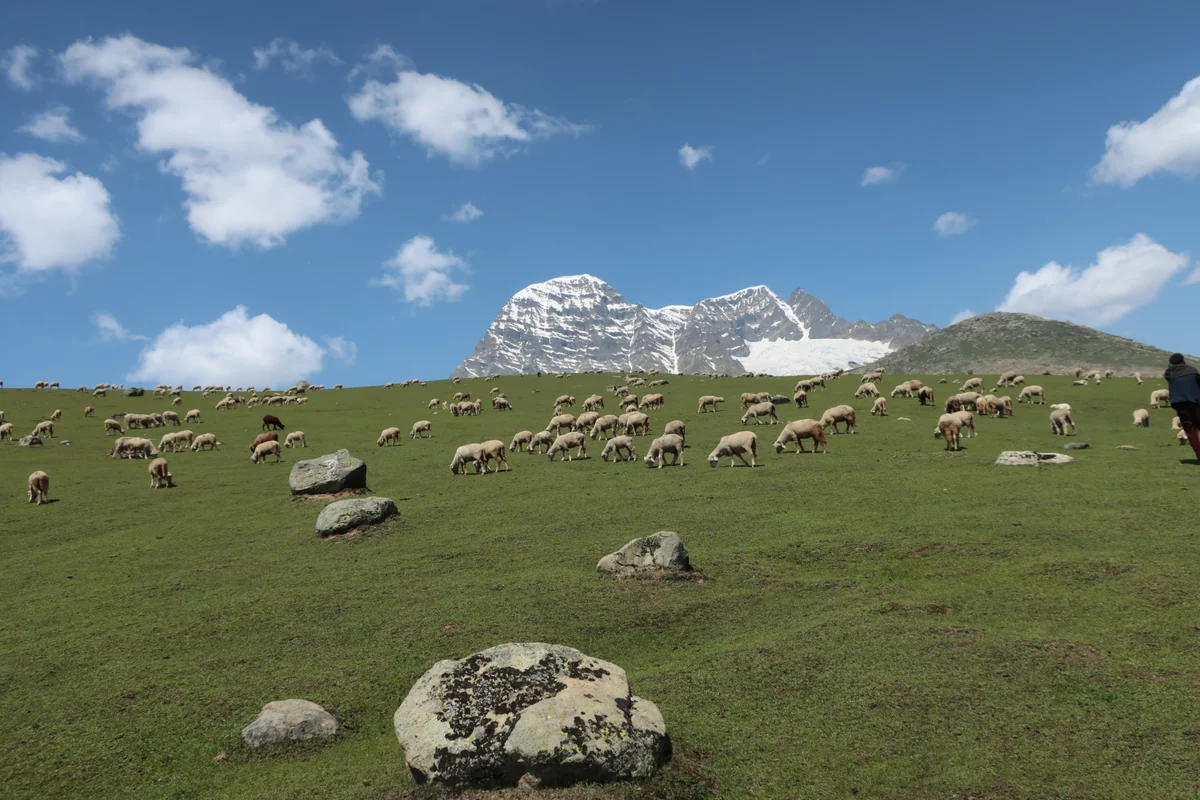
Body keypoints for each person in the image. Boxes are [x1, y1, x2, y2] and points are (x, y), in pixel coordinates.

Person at [1164, 353, 1200, 460]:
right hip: (1195, 403)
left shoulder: (1169, 374)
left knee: (1190, 432)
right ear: (1183, 360)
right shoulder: (1192, 370)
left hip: (1179, 405)